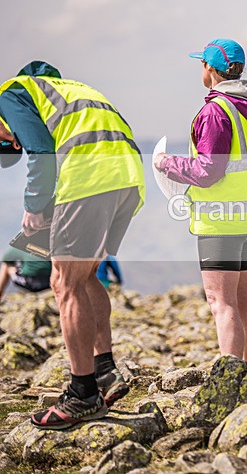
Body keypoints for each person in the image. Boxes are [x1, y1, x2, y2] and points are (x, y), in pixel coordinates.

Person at [0, 61, 145, 429]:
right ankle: (105, 372)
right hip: (126, 175)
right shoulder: (72, 93)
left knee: (64, 282)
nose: (12, 142)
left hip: (90, 176)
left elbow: (42, 156)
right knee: (85, 275)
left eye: (6, 139)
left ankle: (82, 395)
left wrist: (33, 209)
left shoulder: (10, 94)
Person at [154, 39, 247, 365]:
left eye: (201, 64)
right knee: (244, 303)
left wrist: (167, 165)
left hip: (220, 221)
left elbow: (209, 170)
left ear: (209, 69)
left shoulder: (216, 112)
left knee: (222, 303)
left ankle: (231, 379)